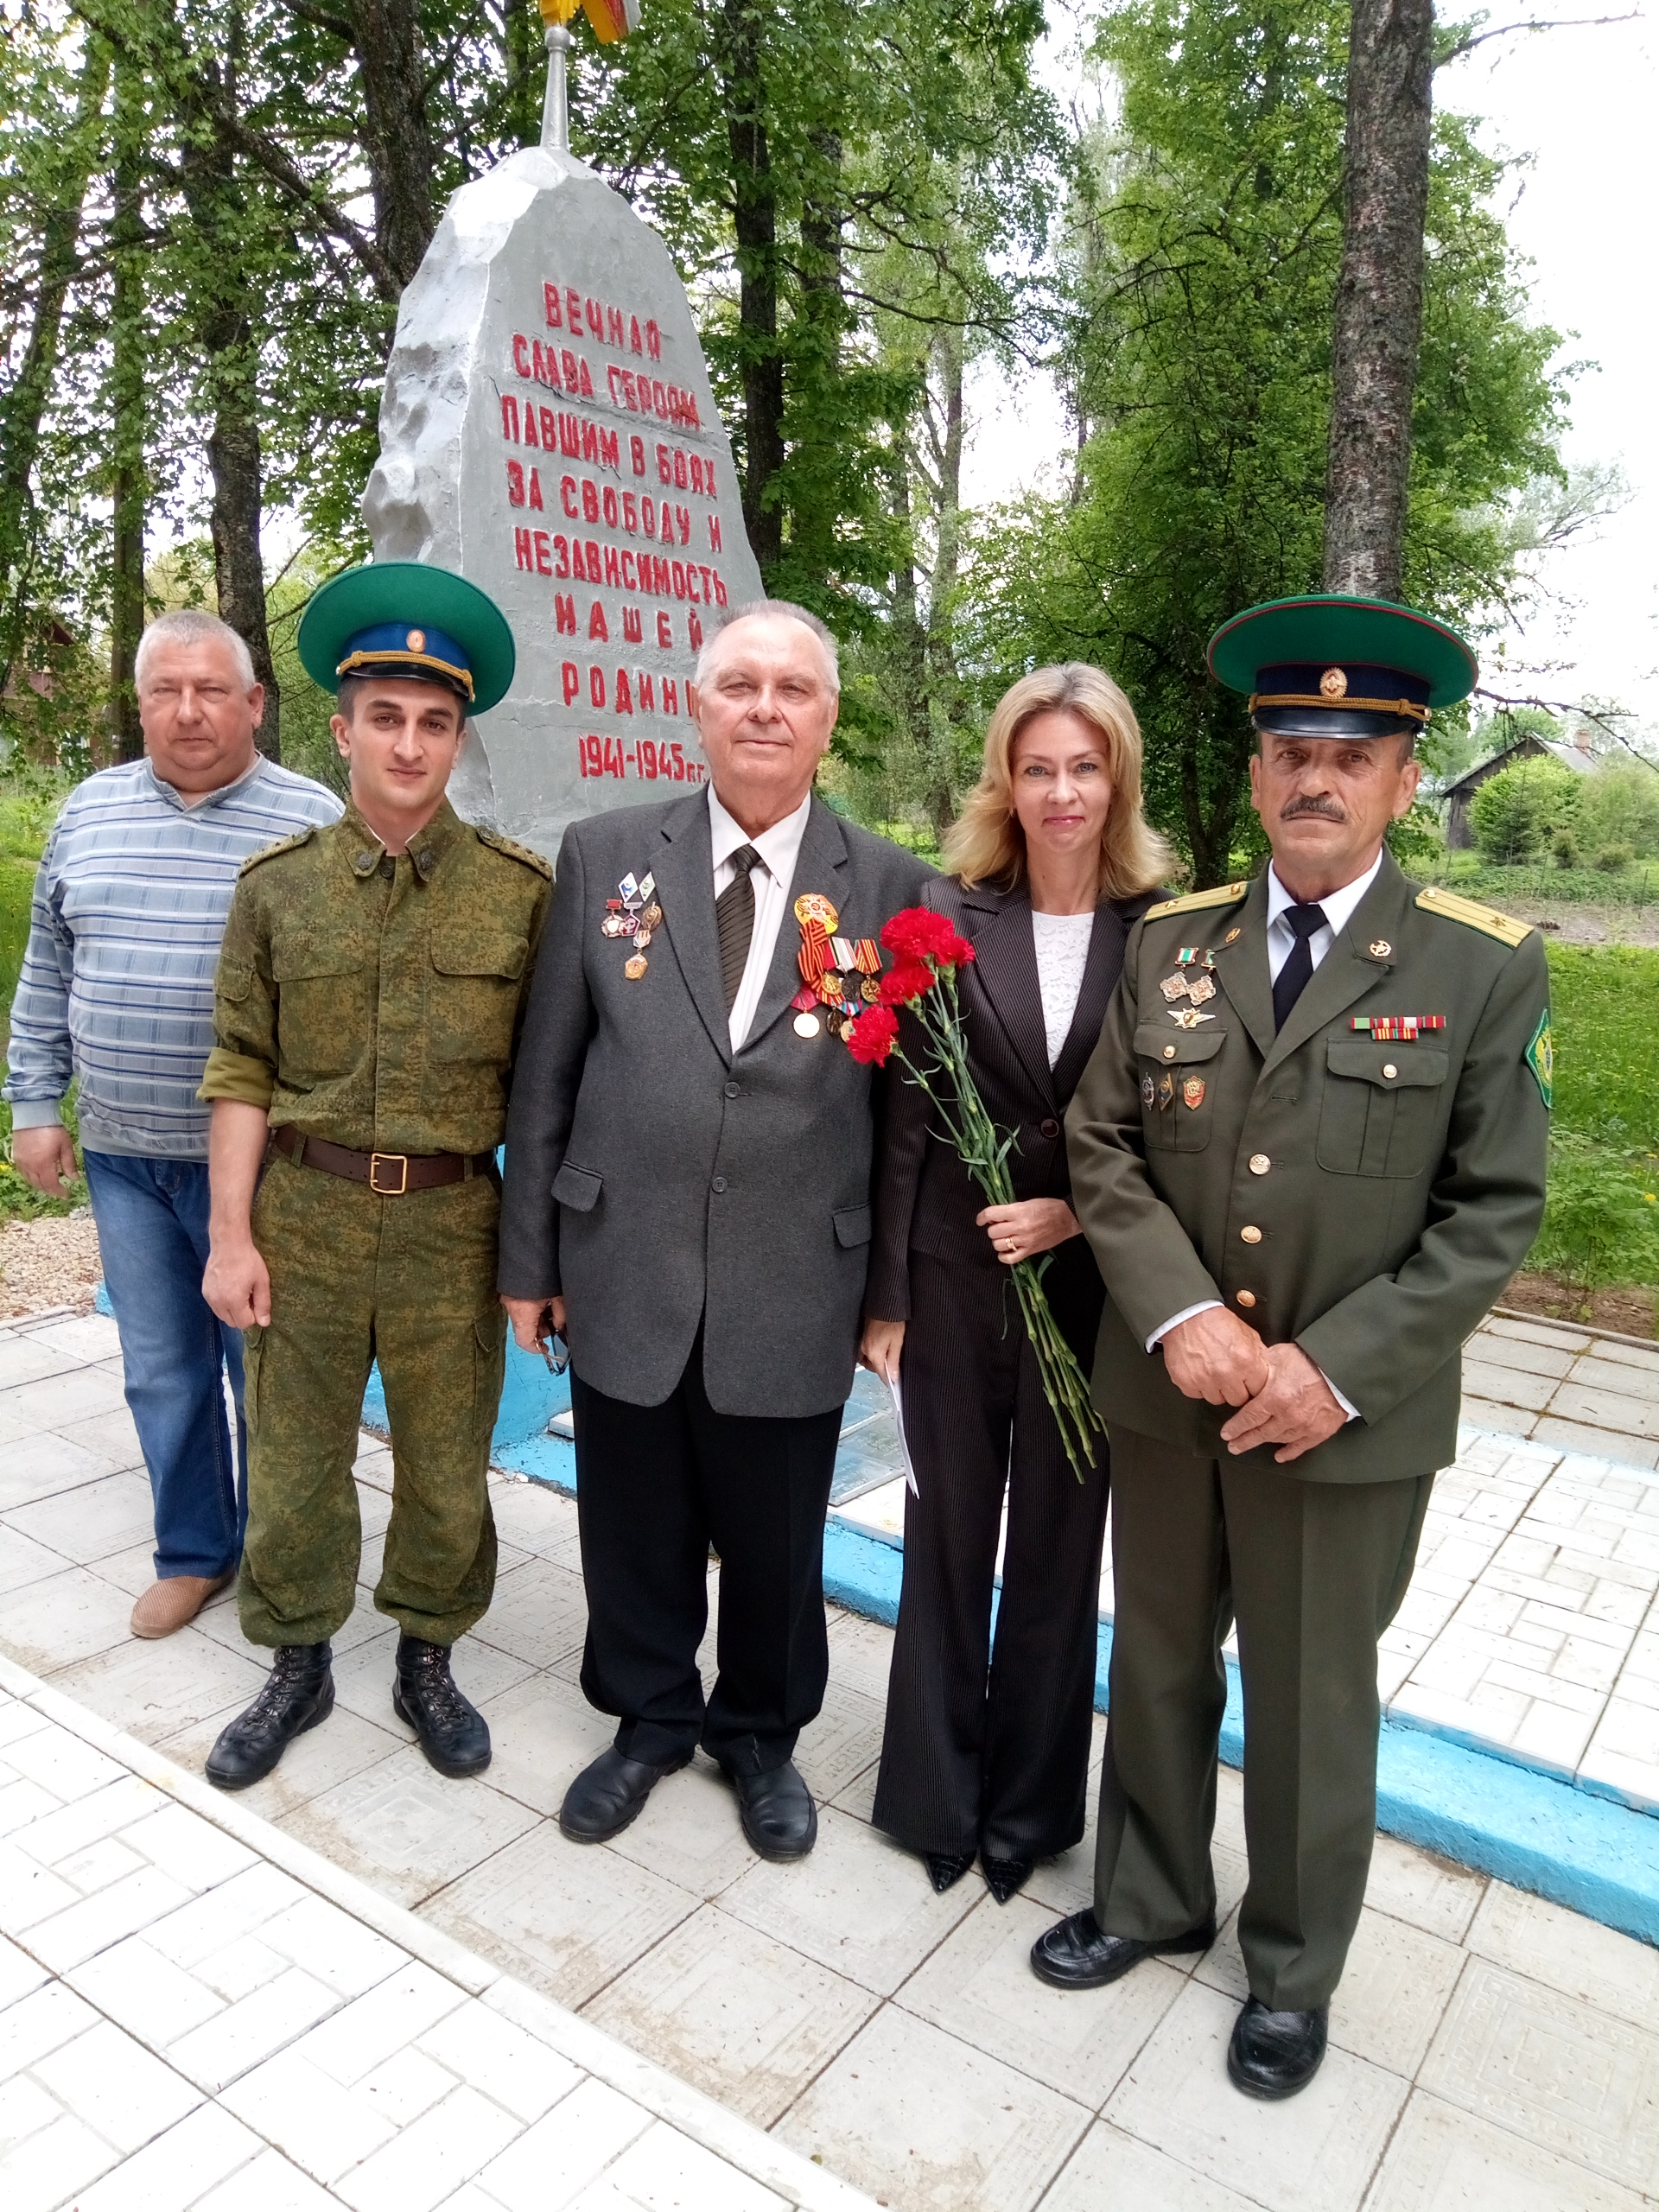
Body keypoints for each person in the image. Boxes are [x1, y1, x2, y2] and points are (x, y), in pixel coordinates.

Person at [1031, 595, 1551, 2099]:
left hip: (1349, 1418)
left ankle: (1295, 1963)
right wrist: (1184, 1317)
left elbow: (1491, 1208)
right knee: (1167, 1656)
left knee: (1317, 1694)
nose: (1313, 778)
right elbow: (1104, 1141)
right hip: (1169, 1385)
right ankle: (1147, 1896)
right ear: (1258, 771)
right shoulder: (1177, 942)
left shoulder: (1480, 966)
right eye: (1290, 750)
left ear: (1403, 776)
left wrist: (1331, 1370)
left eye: (1353, 752)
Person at [499, 600, 932, 1861]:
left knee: (774, 1534)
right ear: (696, 707)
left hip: (801, 1278)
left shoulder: (893, 887)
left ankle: (758, 1734)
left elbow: (908, 1122)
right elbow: (547, 1075)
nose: (763, 708)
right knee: (631, 1512)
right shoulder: (606, 854)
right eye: (738, 685)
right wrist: (529, 1261)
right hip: (621, 1259)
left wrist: (891, 1291)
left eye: (791, 690)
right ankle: (646, 1718)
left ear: (827, 719)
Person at [195, 563, 550, 1789]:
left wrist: (539, 1260)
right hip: (306, 1216)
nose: (409, 743)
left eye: (435, 721)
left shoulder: (521, 899)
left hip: (456, 1222)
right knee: (292, 1456)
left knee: (449, 1462)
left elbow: (547, 1097)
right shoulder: (276, 891)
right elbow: (240, 1067)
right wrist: (231, 1237)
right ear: (342, 731)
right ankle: (295, 1659)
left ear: (459, 738)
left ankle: (429, 1652)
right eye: (385, 718)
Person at [859, 664, 1170, 1907]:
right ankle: (935, 1792)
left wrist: (1077, 1212)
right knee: (942, 1540)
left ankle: (1031, 1809)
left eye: (1084, 767)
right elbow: (900, 1124)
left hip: (1089, 1302)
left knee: (1055, 1550)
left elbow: (1174, 1133)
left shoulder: (1167, 933)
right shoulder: (947, 911)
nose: (1061, 792)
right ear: (1007, 781)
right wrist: (883, 1297)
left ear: (1116, 781)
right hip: (946, 1282)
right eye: (1037, 767)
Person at [4, 612, 340, 1639]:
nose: (187, 711)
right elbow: (48, 963)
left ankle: (291, 1567)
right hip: (122, 1156)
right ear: (142, 702)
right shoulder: (88, 812)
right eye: (165, 690)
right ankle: (197, 1551)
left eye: (210, 690)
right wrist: (33, 1104)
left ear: (253, 702)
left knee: (267, 1375)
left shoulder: (313, 820)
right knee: (162, 1367)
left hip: (269, 1169)